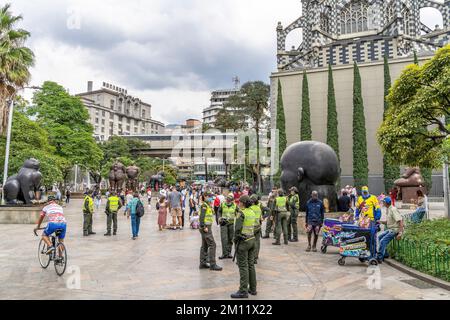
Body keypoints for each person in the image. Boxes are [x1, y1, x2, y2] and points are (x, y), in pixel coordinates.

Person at [231, 195, 257, 299]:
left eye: (239, 202)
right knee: (251, 265)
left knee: (243, 266)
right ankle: (253, 289)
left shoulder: (241, 213)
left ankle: (243, 291)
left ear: (243, 203)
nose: (238, 203)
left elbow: (237, 230)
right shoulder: (251, 212)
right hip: (252, 240)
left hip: (243, 242)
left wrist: (235, 240)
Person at [199, 192, 222, 271]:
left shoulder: (207, 205)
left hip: (207, 227)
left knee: (204, 245)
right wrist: (203, 226)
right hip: (205, 227)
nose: (210, 198)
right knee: (212, 244)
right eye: (209, 197)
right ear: (205, 196)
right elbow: (202, 217)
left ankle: (202, 263)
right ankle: (213, 264)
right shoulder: (204, 206)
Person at [377, 197, 404, 263]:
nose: (382, 203)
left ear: (386, 203)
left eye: (383, 202)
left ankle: (380, 257)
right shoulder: (388, 209)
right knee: (380, 237)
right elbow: (388, 222)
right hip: (390, 229)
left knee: (383, 241)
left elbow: (400, 220)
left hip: (394, 230)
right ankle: (385, 254)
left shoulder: (393, 209)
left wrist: (400, 233)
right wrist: (380, 221)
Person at [218, 194, 238, 260]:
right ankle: (224, 253)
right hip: (223, 223)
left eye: (229, 201)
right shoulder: (222, 204)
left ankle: (229, 253)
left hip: (231, 224)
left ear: (232, 201)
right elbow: (219, 211)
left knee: (230, 238)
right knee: (224, 238)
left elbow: (238, 213)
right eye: (227, 200)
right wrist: (219, 218)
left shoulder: (235, 205)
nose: (227, 201)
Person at [249, 194, 265, 264]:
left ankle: (252, 258)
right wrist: (263, 217)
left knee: (251, 242)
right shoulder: (259, 208)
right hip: (258, 226)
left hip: (251, 227)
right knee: (257, 242)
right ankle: (256, 256)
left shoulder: (250, 208)